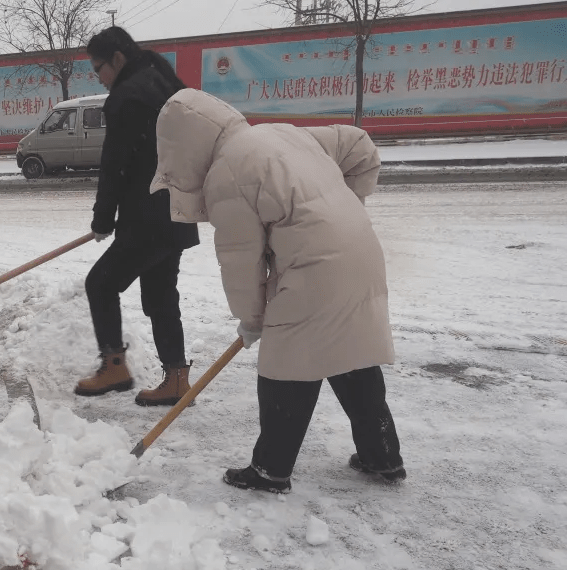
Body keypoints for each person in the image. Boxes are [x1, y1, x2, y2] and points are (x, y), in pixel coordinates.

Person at [150, 88, 405, 493]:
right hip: (362, 254)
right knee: (352, 357)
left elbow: (241, 261)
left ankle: (270, 470)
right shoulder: (284, 133)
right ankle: (383, 456)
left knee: (285, 369)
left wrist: (252, 319)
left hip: (314, 272)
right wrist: (344, 210)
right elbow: (360, 145)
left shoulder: (225, 172)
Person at [74, 26, 200, 406]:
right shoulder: (162, 78)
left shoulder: (126, 97)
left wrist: (102, 219)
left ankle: (114, 367)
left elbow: (116, 165)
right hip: (176, 210)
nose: (99, 78)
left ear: (117, 59)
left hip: (147, 218)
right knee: (161, 295)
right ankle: (177, 379)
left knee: (100, 283)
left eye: (99, 69)